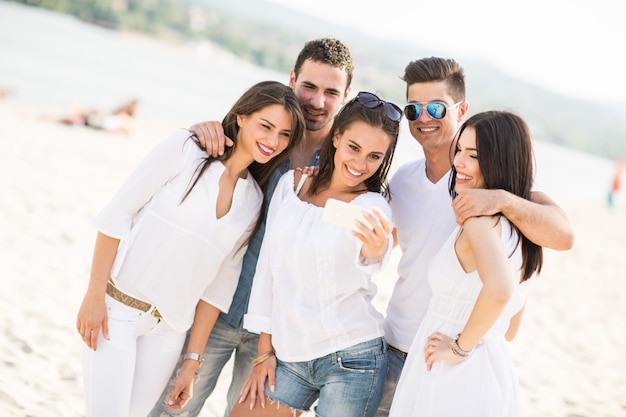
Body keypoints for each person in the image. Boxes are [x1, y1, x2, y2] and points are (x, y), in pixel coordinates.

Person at [149, 37, 354, 417]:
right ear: (292, 78)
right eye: (309, 86)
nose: (317, 101)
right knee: (169, 410)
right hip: (213, 309)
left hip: (277, 335)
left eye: (331, 92)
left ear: (345, 96)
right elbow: (216, 155)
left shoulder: (345, 165)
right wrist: (204, 130)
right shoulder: (261, 140)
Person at [76, 81, 305, 417]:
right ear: (241, 117)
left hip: (168, 333)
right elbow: (118, 214)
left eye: (284, 135)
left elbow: (218, 288)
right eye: (266, 126)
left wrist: (191, 362)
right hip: (117, 314)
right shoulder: (186, 149)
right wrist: (95, 295)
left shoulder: (253, 201)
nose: (273, 141)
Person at [375, 57, 575, 417]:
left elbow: (562, 235)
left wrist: (498, 199)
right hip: (398, 346)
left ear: (461, 109)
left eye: (436, 107)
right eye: (413, 109)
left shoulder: (497, 189)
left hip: (453, 353)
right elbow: (376, 248)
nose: (424, 117)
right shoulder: (402, 180)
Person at [230, 91, 401, 417]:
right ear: (336, 137)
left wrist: (377, 249)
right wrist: (264, 352)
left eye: (374, 156)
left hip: (353, 358)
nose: (360, 164)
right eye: (354, 148)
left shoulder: (371, 206)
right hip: (290, 353)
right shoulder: (291, 186)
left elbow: (372, 254)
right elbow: (269, 269)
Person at [389, 110, 543, 416]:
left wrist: (459, 347)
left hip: (453, 374)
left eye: (472, 155)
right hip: (491, 366)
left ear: (499, 161)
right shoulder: (522, 229)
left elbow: (501, 290)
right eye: (459, 150)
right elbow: (510, 329)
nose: (458, 161)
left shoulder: (479, 220)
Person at [60, 98, 138, 135]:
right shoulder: (120, 116)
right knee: (81, 111)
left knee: (80, 110)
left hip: (97, 123)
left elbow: (129, 131)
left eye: (126, 105)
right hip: (98, 122)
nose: (123, 105)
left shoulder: (124, 117)